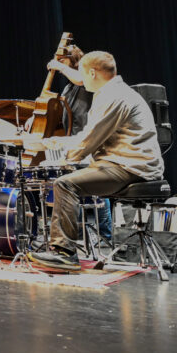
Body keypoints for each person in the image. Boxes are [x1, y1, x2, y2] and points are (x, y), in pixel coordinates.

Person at [25, 51, 164, 271]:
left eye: (82, 73)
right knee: (69, 180)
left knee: (64, 183)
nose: (80, 80)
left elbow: (88, 141)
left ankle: (65, 253)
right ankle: (64, 249)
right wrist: (49, 143)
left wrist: (55, 153)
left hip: (131, 167)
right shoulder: (111, 92)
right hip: (124, 163)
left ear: (91, 72)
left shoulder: (114, 96)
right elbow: (88, 138)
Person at [46, 45, 112, 241]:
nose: (59, 65)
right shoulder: (68, 87)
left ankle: (105, 235)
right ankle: (80, 234)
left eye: (63, 60)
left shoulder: (86, 80)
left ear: (72, 60)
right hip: (74, 142)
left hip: (91, 142)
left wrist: (60, 66)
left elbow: (81, 78)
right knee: (76, 188)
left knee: (99, 191)